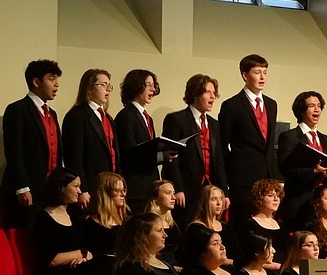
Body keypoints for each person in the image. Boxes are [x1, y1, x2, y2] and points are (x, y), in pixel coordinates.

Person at [2, 59, 63, 228]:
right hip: (28, 190)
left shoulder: (53, 114)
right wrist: (22, 187)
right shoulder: (18, 109)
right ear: (36, 82)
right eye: (51, 79)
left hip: (49, 190)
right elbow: (14, 152)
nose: (57, 84)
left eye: (57, 79)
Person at [162, 74, 229, 228]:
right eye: (208, 92)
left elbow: (219, 161)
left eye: (214, 93)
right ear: (195, 93)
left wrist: (224, 192)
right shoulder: (177, 120)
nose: (213, 97)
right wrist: (177, 189)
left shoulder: (214, 125)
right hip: (187, 189)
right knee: (186, 228)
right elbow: (171, 158)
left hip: (209, 190)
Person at [277, 91, 327, 230]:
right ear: (301, 110)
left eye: (319, 106)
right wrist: (312, 171)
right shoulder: (289, 137)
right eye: (312, 106)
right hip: (299, 202)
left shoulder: (326, 139)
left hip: (322, 205)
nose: (317, 109)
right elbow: (285, 168)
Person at [219, 54, 279, 223]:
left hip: (266, 177)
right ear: (245, 75)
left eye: (265, 72)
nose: (262, 77)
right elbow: (222, 146)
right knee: (244, 224)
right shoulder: (232, 105)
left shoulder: (271, 104)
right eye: (257, 72)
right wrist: (226, 185)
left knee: (266, 223)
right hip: (242, 179)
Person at [34, 167, 108, 275]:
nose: (79, 191)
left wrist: (84, 258)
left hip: (78, 268)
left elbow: (87, 249)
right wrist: (81, 253)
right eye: (75, 186)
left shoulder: (74, 217)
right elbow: (51, 260)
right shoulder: (44, 220)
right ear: (61, 188)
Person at [62, 69, 121, 210]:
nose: (107, 90)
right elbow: (74, 157)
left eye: (109, 86)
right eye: (103, 85)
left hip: (109, 187)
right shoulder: (77, 116)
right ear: (89, 88)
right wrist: (83, 189)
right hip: (91, 186)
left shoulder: (108, 118)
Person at [114, 69, 164, 211]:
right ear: (136, 86)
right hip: (136, 187)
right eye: (147, 84)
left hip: (149, 185)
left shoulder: (147, 117)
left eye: (153, 85)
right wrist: (160, 155)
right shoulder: (126, 116)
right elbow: (129, 153)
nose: (152, 89)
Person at [242, 179, 288, 271]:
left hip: (283, 272)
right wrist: (278, 267)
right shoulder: (249, 224)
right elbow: (248, 257)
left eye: (278, 196)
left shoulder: (282, 225)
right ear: (259, 198)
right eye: (270, 195)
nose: (276, 199)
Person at [188, 185, 238, 268]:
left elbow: (236, 252)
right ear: (204, 202)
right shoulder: (196, 228)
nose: (219, 203)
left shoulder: (225, 226)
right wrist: (235, 262)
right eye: (214, 199)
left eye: (221, 198)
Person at [83, 171, 129, 259]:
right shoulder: (90, 224)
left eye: (123, 190)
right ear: (104, 194)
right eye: (117, 191)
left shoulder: (127, 219)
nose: (123, 195)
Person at [144, 180, 182, 265]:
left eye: (174, 193)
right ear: (155, 198)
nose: (174, 197)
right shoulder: (147, 223)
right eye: (168, 193)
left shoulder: (173, 224)